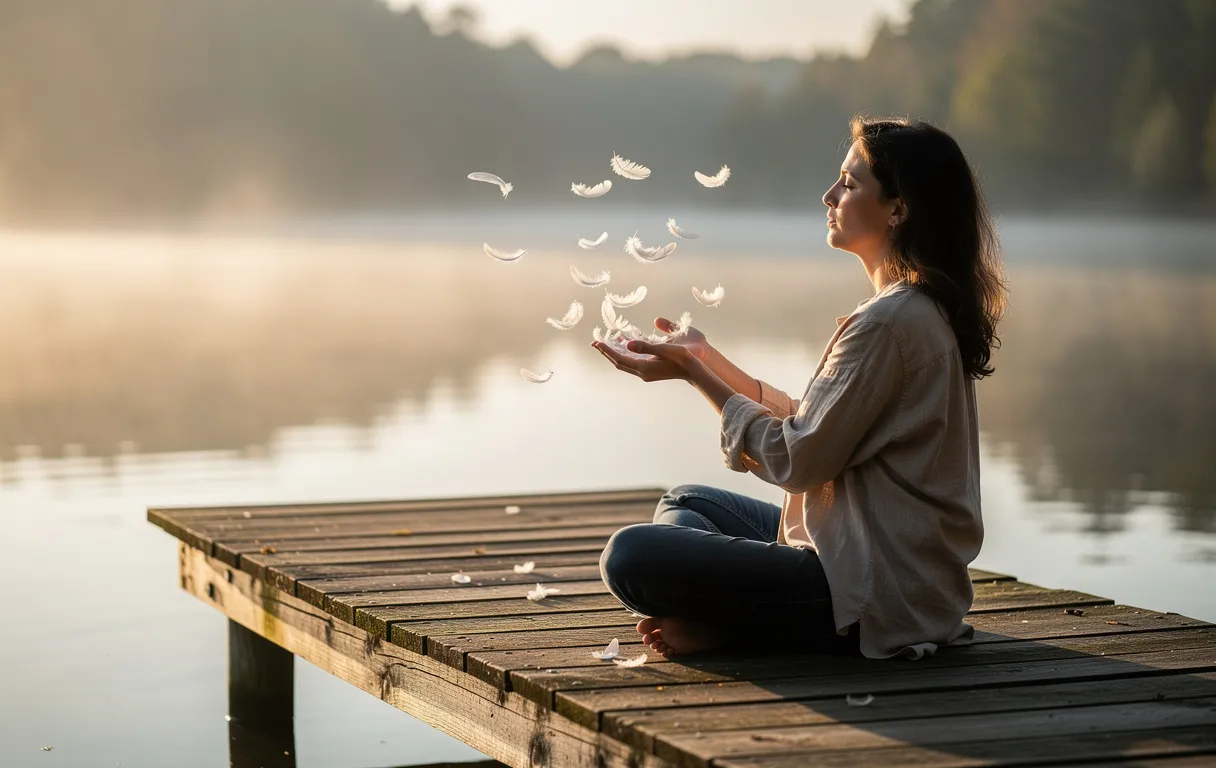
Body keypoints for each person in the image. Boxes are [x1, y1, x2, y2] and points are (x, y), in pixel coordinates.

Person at [592, 116, 1008, 660]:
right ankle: (720, 617)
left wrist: (695, 378)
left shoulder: (890, 322)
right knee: (687, 501)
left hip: (873, 591)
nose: (828, 194)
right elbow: (817, 425)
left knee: (629, 556)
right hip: (878, 561)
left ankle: (730, 627)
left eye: (850, 183)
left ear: (898, 209)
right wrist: (705, 359)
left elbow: (799, 459)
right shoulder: (912, 309)